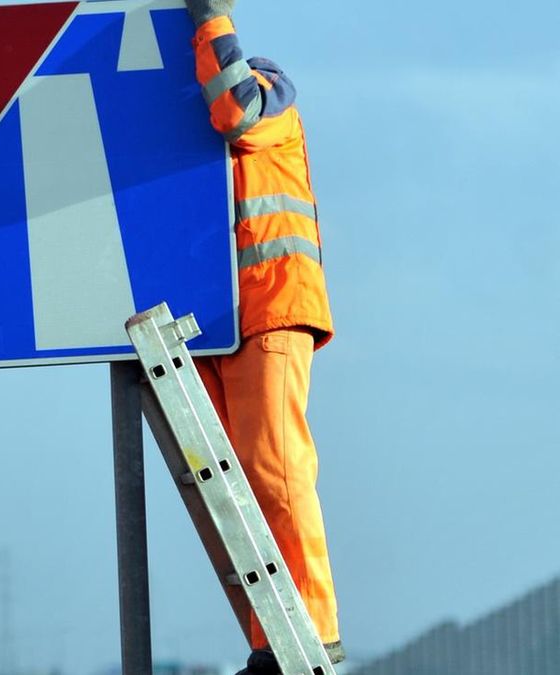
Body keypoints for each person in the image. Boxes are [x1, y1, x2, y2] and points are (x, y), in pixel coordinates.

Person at [181, 1, 343, 672]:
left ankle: (312, 631)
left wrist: (208, 16)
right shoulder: (189, 129)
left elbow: (234, 108)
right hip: (217, 323)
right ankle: (270, 641)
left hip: (271, 310)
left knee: (276, 474)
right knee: (235, 490)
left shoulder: (268, 99)